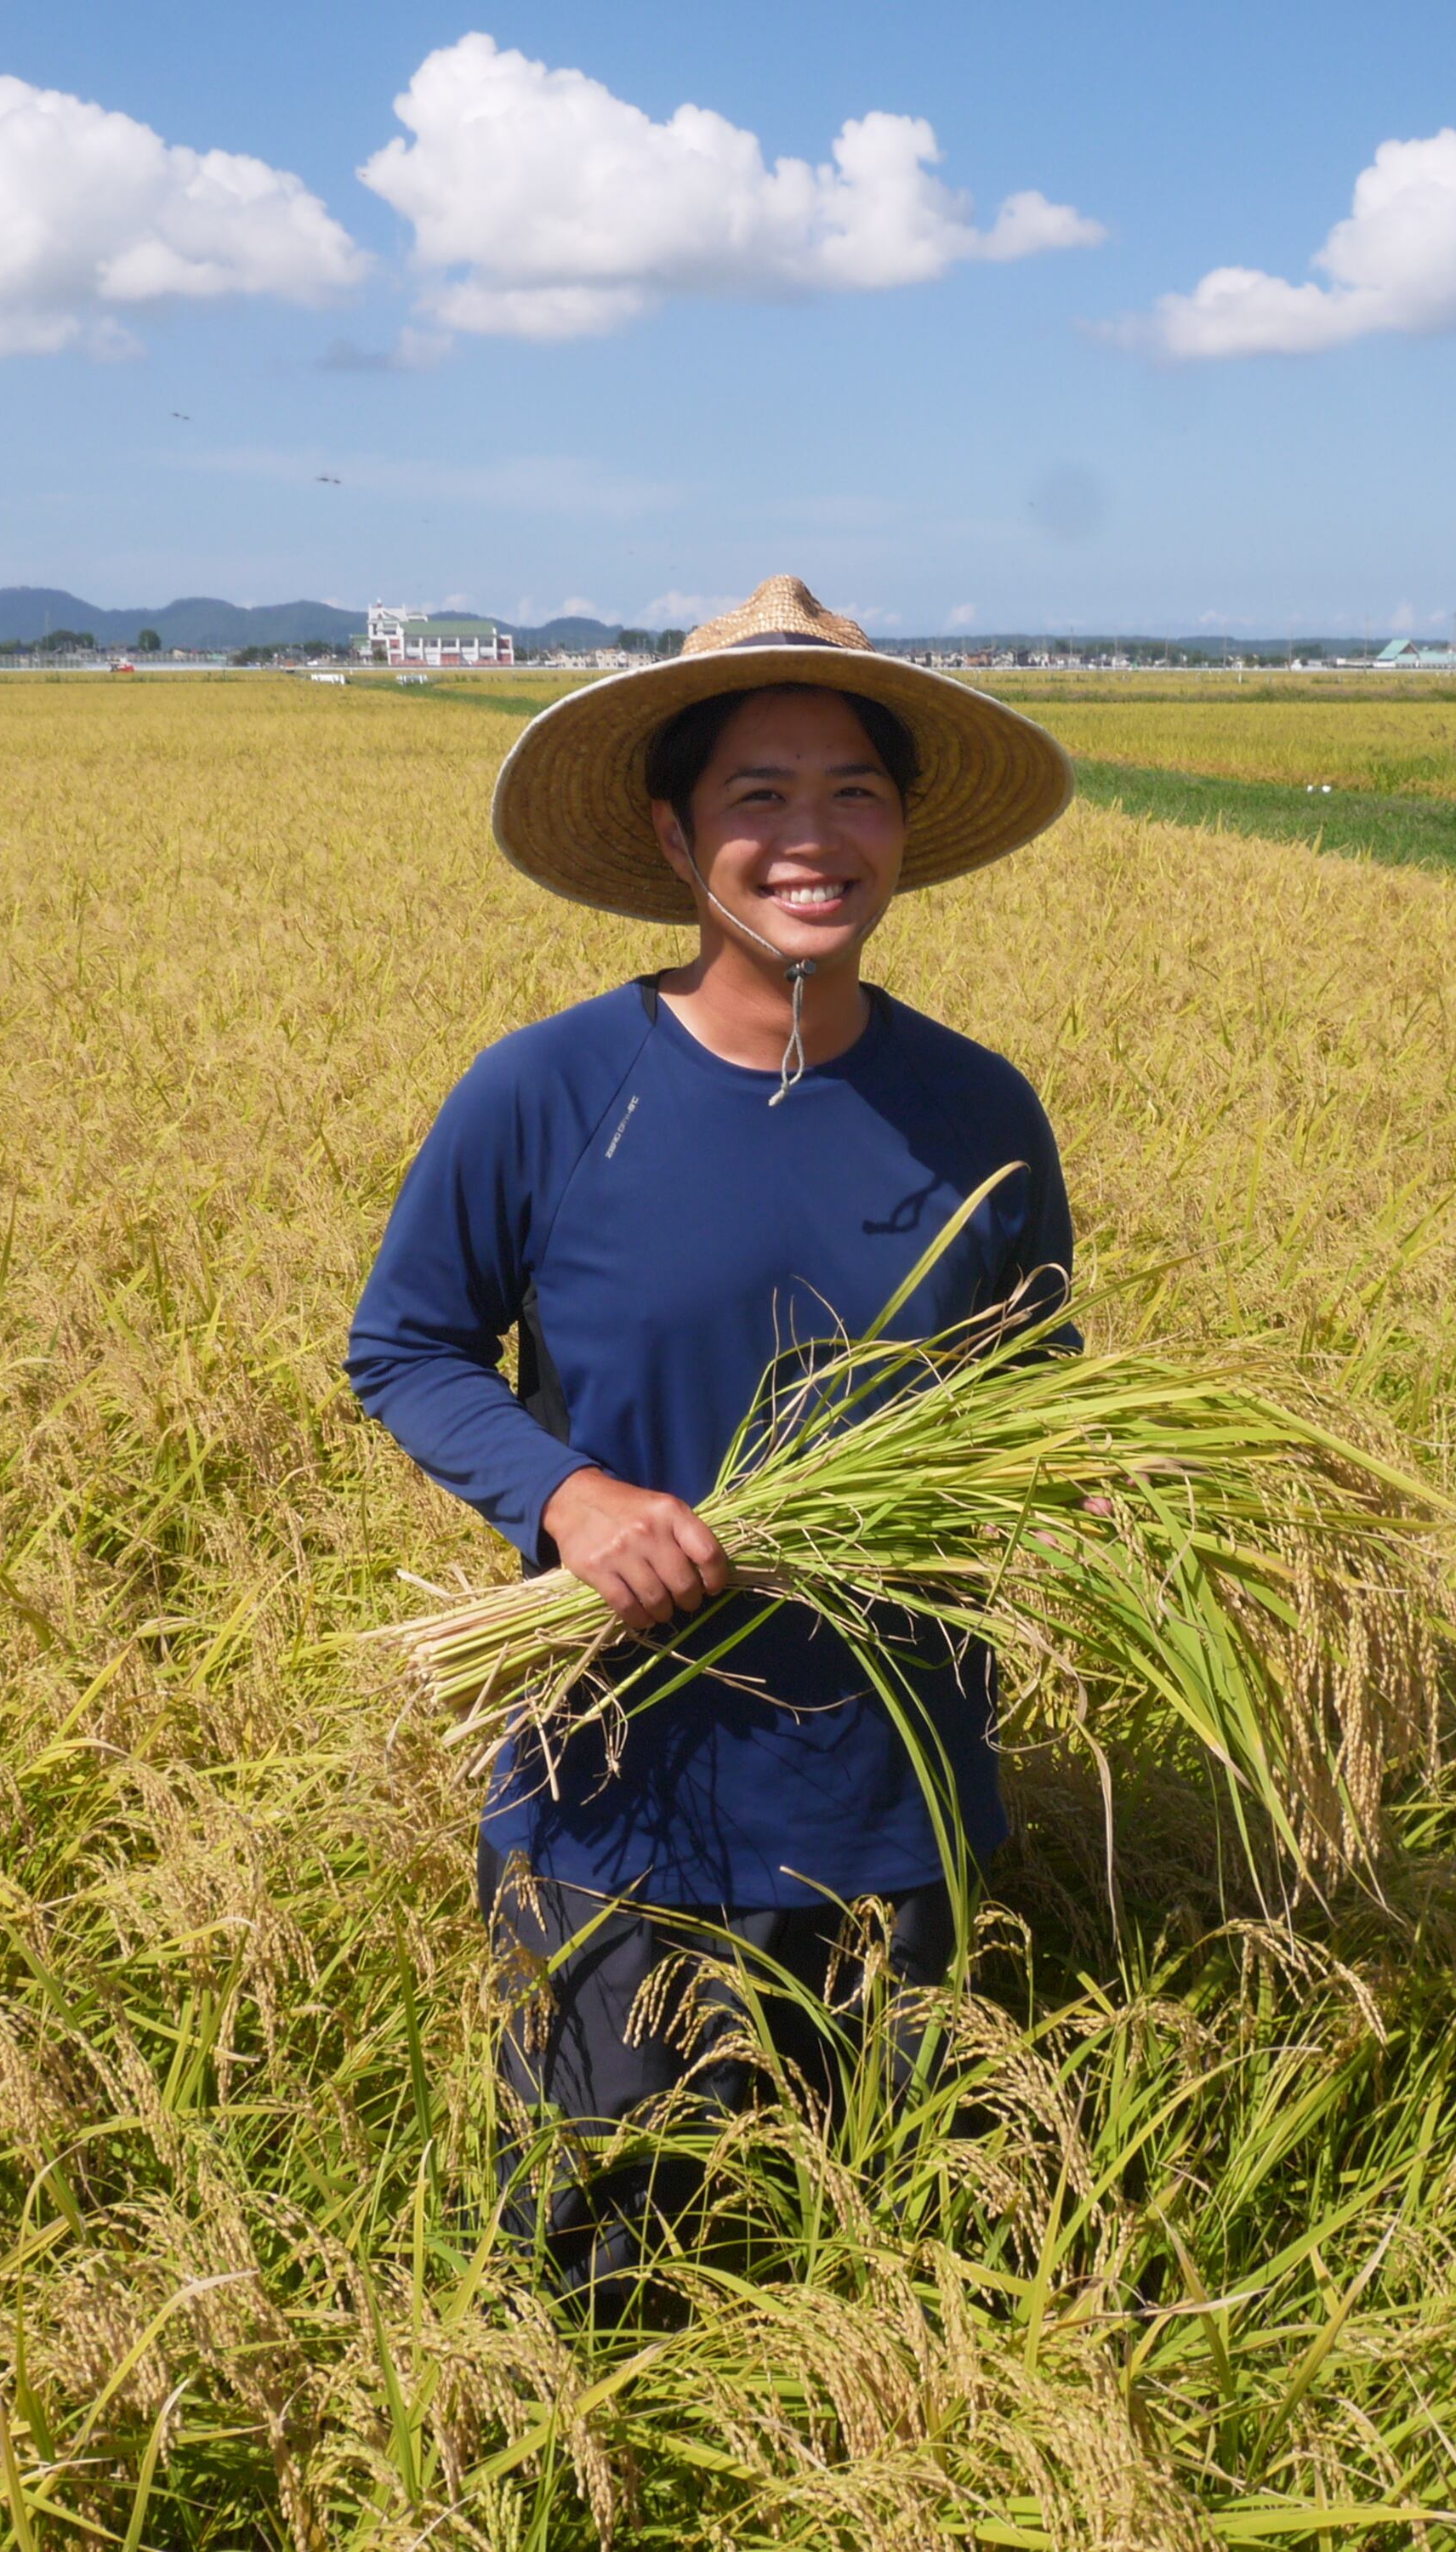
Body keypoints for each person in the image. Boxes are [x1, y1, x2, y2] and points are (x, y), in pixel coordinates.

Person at [345, 575, 1079, 2305]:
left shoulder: (976, 1109)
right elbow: (407, 1348)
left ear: (901, 832)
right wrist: (571, 1497)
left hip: (899, 1807)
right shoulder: (543, 1090)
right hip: (623, 1807)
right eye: (759, 796)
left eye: (852, 793)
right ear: (677, 838)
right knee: (604, 2282)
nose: (809, 837)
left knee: (889, 2273)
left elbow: (1033, 1388)